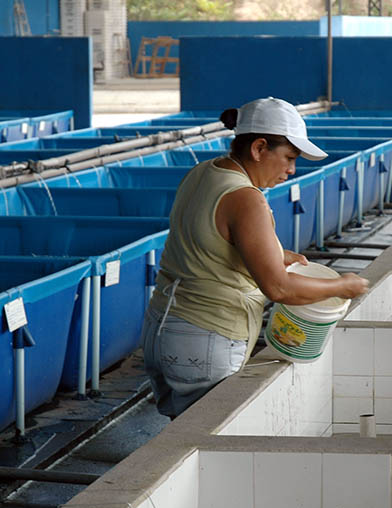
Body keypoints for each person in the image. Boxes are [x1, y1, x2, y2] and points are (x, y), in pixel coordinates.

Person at [140, 97, 369, 418]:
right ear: (259, 148)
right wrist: (342, 286)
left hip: (160, 328)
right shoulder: (247, 198)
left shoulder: (203, 172)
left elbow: (205, 243)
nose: (291, 170)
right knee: (206, 448)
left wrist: (276, 253)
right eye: (289, 157)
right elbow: (279, 289)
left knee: (182, 436)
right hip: (206, 337)